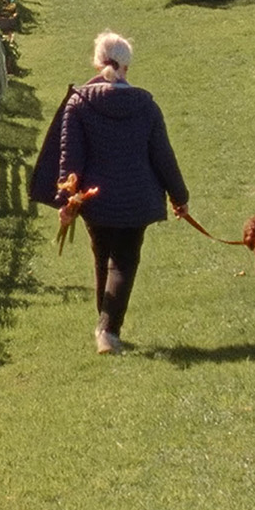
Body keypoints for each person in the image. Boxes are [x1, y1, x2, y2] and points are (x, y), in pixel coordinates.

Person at [55, 31, 189, 355]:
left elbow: (69, 156)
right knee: (124, 262)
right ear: (126, 66)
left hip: (94, 199)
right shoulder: (145, 105)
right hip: (136, 196)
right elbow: (162, 154)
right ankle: (108, 330)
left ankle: (105, 328)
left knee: (103, 258)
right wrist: (179, 196)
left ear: (98, 62)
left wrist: (67, 200)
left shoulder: (79, 103)